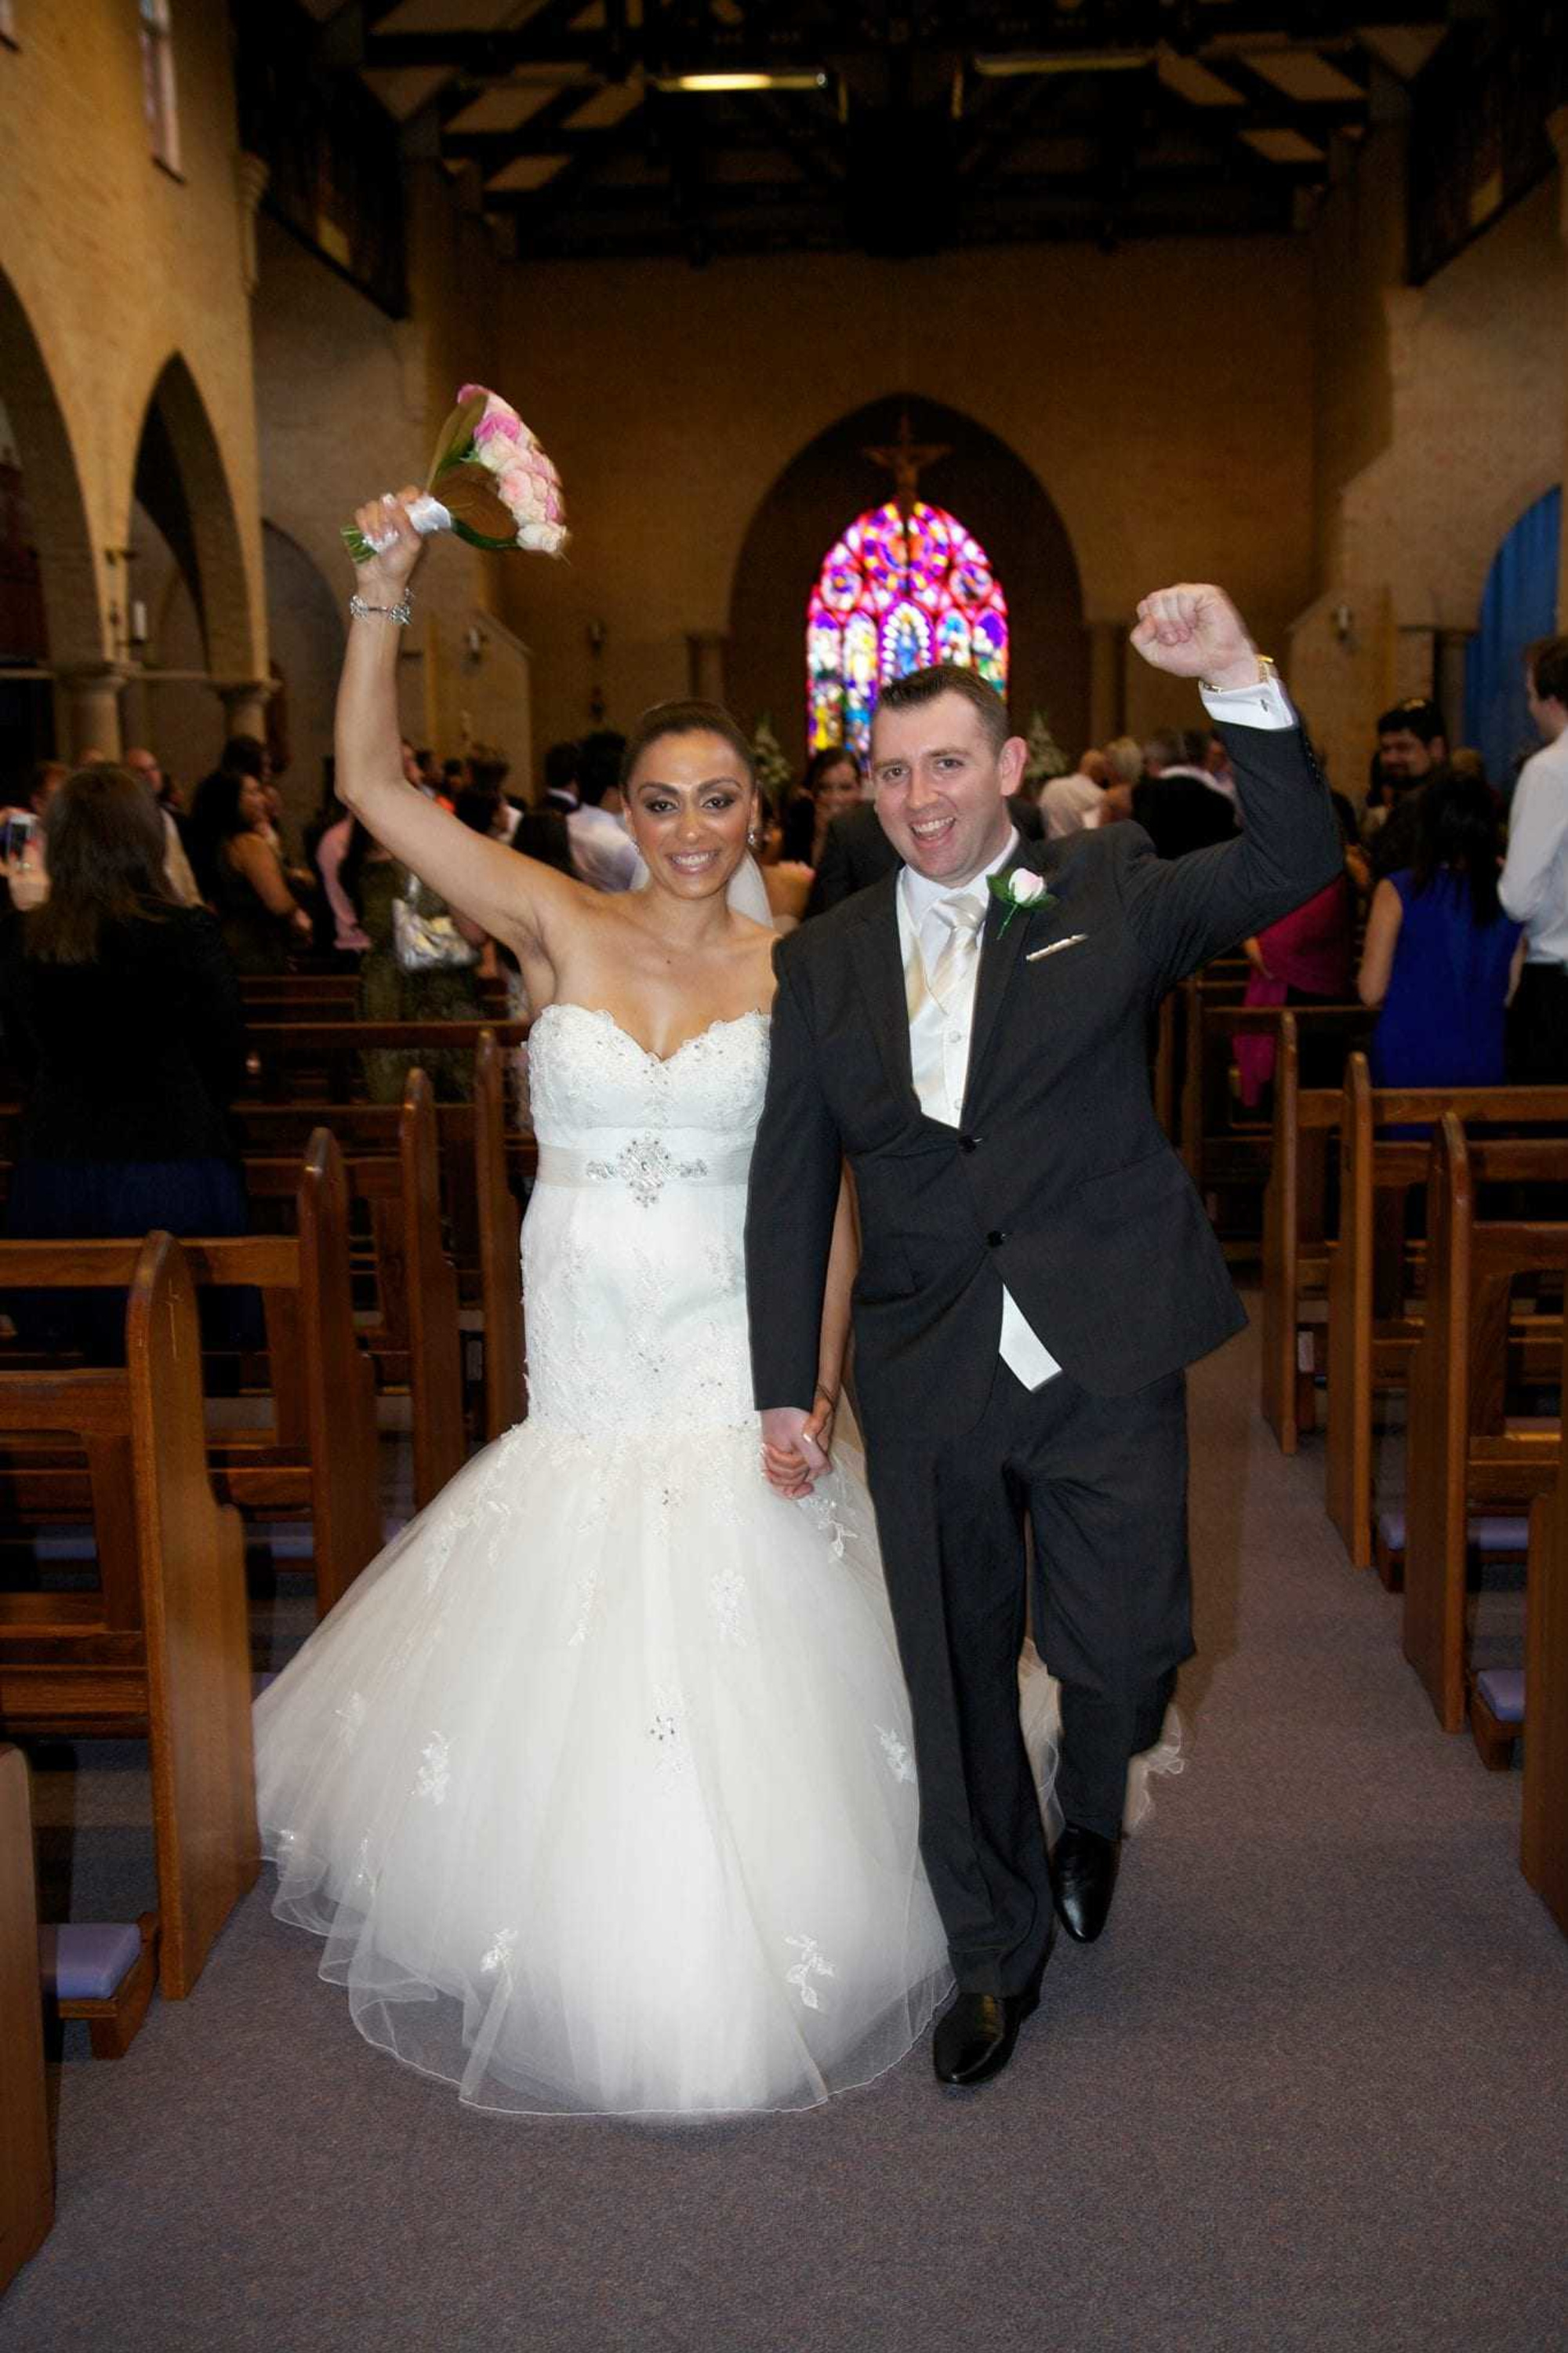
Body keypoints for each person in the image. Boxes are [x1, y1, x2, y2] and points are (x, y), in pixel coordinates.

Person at [253, 491, 977, 2117]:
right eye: (663, 802)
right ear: (626, 811)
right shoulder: (552, 918)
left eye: (720, 800)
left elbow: (843, 1197)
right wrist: (380, 590)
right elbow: (368, 786)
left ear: (760, 803)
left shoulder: (808, 969)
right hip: (586, 1349)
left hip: (734, 1347)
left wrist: (817, 1379)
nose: (694, 830)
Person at [746, 589, 1341, 2089]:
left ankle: (1091, 1797)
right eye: (890, 773)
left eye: (946, 766)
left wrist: (1236, 677)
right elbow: (792, 1185)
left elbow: (1295, 858)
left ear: (1009, 766)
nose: (918, 800)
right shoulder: (822, 963)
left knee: (1132, 1649)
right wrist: (783, 1389)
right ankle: (994, 1957)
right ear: (861, 784)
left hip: (1104, 1337)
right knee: (949, 1676)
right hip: (928, 1360)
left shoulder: (1115, 884)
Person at [0, 764, 250, 1359]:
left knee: (73, 1351)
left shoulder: (19, 937)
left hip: (58, 1168)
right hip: (174, 1165)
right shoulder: (188, 932)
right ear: (147, 837)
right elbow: (225, 1051)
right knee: (181, 1345)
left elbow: (18, 1053)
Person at [1358, 761, 1522, 1088]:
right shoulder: (1511, 893)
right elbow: (1509, 991)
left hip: (1410, 1058)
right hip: (1482, 1057)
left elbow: (1370, 990)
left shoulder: (1398, 890)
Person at [804, 735, 1043, 917]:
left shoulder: (1022, 819)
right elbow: (824, 931)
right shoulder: (853, 833)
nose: (920, 796)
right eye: (897, 771)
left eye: (948, 764)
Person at [1500, 635, 1568, 1082]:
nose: (1529, 708)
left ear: (1552, 699)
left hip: (1557, 987)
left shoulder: (1548, 770)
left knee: (1542, 1139)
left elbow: (1519, 900)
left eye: (1530, 696)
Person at [187, 766, 314, 972]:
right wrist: (298, 914)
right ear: (232, 800)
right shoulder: (249, 844)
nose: (263, 799)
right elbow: (279, 903)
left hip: (231, 944)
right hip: (258, 947)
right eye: (253, 792)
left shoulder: (221, 843)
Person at [1366, 697, 1447, 884]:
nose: (1391, 758)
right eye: (1386, 749)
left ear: (1436, 748)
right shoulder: (1409, 801)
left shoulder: (1437, 805)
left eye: (1403, 748)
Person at [1039, 748, 1109, 839]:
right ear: (1098, 772)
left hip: (1050, 847)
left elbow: (1040, 815)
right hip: (1080, 849)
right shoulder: (1100, 796)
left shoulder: (1052, 785)